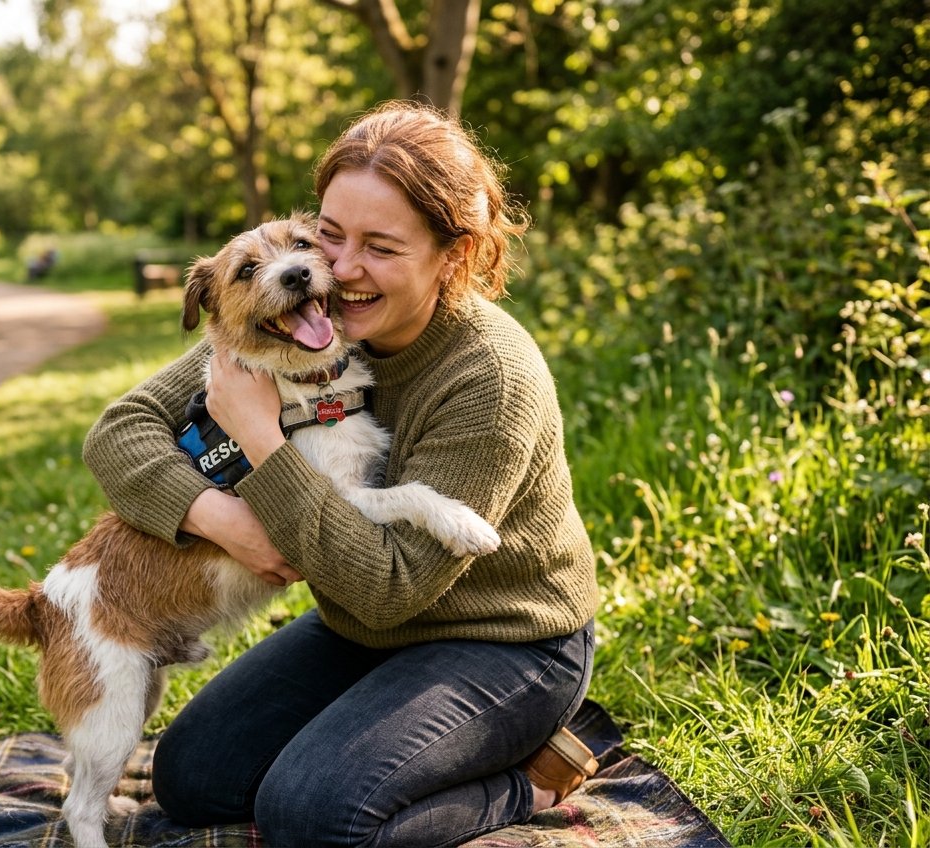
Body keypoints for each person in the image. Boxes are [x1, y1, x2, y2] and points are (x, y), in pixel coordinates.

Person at [81, 101, 600, 848]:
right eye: (329, 235)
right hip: (362, 627)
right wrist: (220, 520)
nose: (338, 271)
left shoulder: (490, 377)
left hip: (506, 640)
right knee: (192, 778)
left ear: (451, 256)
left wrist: (260, 436)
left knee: (315, 815)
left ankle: (532, 778)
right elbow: (118, 433)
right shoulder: (290, 327)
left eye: (381, 247)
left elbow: (387, 589)